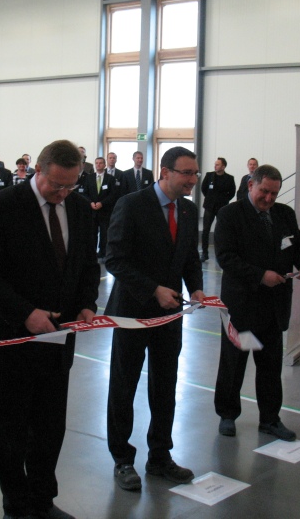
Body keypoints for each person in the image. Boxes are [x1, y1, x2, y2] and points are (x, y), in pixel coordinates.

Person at [0, 140, 99, 519]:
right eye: (56, 185)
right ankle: (16, 506)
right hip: (14, 339)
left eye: (70, 186)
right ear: (37, 170)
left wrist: (87, 304)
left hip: (60, 341)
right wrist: (26, 313)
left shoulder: (78, 207)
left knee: (50, 428)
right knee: (12, 432)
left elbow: (87, 265)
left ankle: (43, 500)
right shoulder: (3, 205)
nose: (62, 193)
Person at [105, 146, 205, 492]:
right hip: (132, 313)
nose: (192, 180)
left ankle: (160, 456)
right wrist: (153, 290)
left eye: (195, 173)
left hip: (169, 315)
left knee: (165, 385)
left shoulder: (188, 210)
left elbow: (189, 256)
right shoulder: (132, 205)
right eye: (186, 173)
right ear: (165, 172)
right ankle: (122, 459)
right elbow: (115, 259)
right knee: (124, 386)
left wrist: (197, 287)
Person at [214, 164, 300, 441]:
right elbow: (226, 257)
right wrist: (261, 276)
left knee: (271, 367)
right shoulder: (230, 215)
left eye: (274, 193)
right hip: (242, 307)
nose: (269, 198)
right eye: (264, 191)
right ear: (250, 185)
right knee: (234, 364)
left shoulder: (284, 214)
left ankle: (270, 419)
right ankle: (227, 414)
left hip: (274, 308)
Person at [78, 156, 117, 259]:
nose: (98, 165)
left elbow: (113, 195)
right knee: (92, 232)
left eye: (100, 163)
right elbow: (85, 193)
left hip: (105, 210)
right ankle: (92, 252)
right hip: (92, 210)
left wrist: (102, 203)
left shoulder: (110, 179)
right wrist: (90, 202)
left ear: (104, 165)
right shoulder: (89, 178)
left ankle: (103, 252)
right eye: (97, 163)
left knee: (104, 233)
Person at [199, 157, 236, 262]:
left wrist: (224, 200)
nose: (215, 166)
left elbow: (232, 192)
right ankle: (204, 253)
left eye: (217, 164)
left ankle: (220, 253)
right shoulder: (209, 175)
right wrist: (210, 198)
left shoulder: (229, 178)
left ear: (223, 167)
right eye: (215, 164)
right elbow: (203, 188)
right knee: (206, 230)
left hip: (222, 207)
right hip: (209, 206)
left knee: (220, 231)